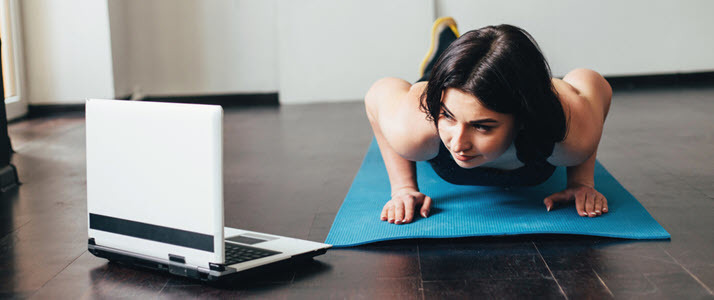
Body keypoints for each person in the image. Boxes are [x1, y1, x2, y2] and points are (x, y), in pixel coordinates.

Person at [364, 17, 613, 225]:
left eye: (481, 126)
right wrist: (403, 188)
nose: (458, 144)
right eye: (448, 118)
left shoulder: (569, 134)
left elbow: (594, 83)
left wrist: (581, 181)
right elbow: (377, 95)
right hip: (440, 86)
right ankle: (445, 39)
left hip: (535, 92)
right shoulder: (417, 125)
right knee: (439, 67)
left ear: (523, 120)